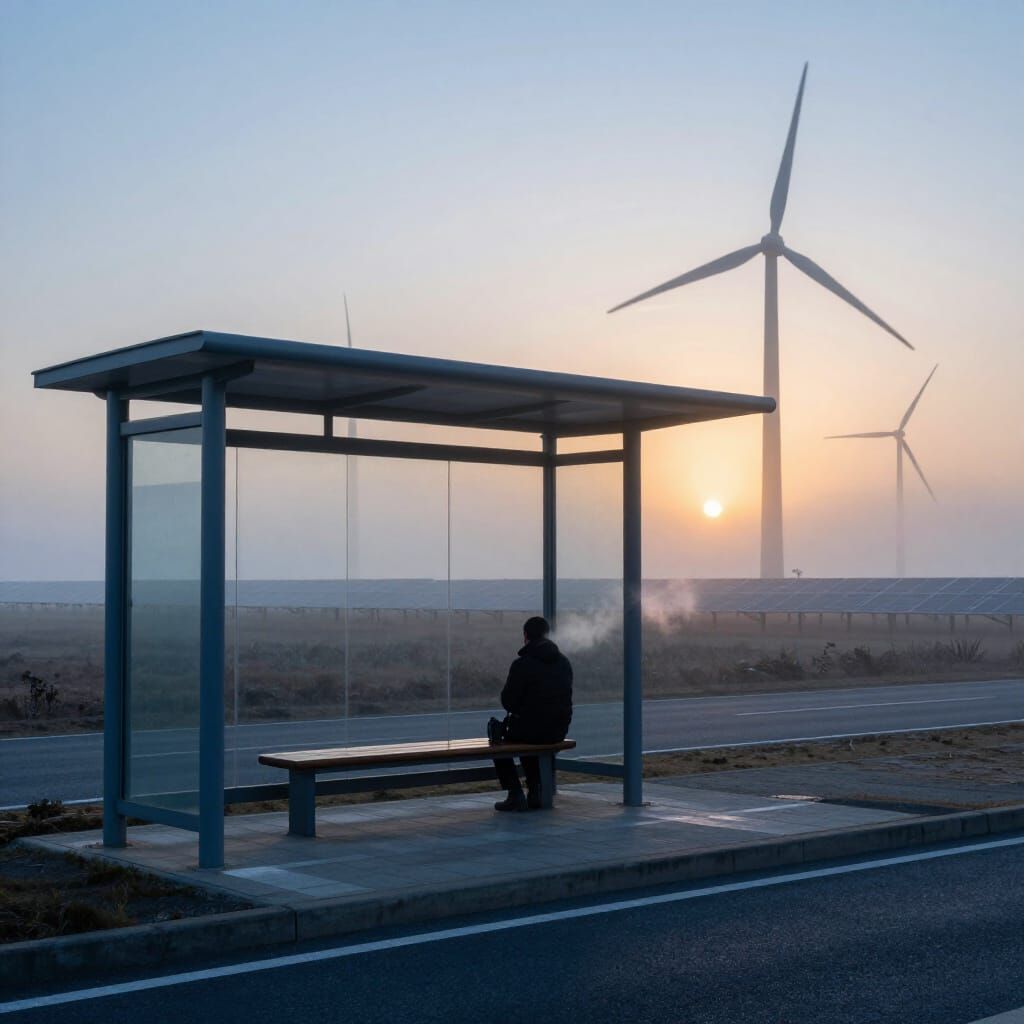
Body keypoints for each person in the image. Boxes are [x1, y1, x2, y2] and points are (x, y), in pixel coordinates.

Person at [492, 615, 573, 812]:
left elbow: (508, 702)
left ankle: (515, 793)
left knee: (498, 736)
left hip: (530, 730)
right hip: (558, 729)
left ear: (525, 636)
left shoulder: (522, 664)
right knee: (531, 734)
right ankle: (536, 790)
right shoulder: (563, 662)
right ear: (547, 635)